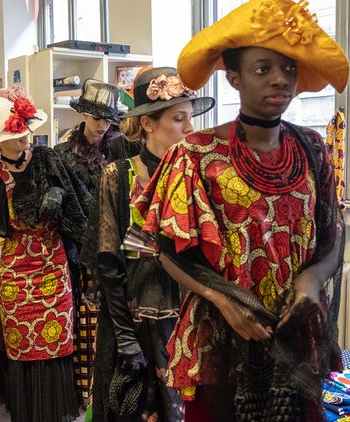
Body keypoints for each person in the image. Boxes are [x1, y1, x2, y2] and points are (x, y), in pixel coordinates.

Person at [132, 1, 349, 420]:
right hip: (221, 336)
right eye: (262, 69)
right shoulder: (196, 154)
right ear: (234, 78)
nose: (280, 79)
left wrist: (313, 278)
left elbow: (331, 235)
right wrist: (225, 301)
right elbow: (165, 247)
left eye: (288, 68)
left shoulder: (312, 148)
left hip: (295, 333)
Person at [81, 67, 214, 422]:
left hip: (187, 316)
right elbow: (108, 262)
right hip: (133, 317)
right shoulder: (119, 175)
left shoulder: (196, 175)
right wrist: (124, 335)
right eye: (179, 119)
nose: (190, 128)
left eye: (190, 118)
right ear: (148, 123)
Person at [0, 96, 89, 422]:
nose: (24, 135)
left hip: (54, 265)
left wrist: (60, 194)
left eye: (24, 128)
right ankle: (29, 412)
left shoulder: (48, 159)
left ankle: (56, 411)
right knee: (22, 343)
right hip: (16, 272)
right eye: (15, 131)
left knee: (57, 339)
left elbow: (80, 204)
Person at [53, 78, 122, 404]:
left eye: (107, 119)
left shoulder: (121, 150)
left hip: (118, 245)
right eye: (96, 118)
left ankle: (113, 388)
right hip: (78, 248)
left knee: (117, 315)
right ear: (83, 115)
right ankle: (86, 388)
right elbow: (65, 204)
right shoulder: (63, 154)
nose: (101, 125)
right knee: (84, 318)